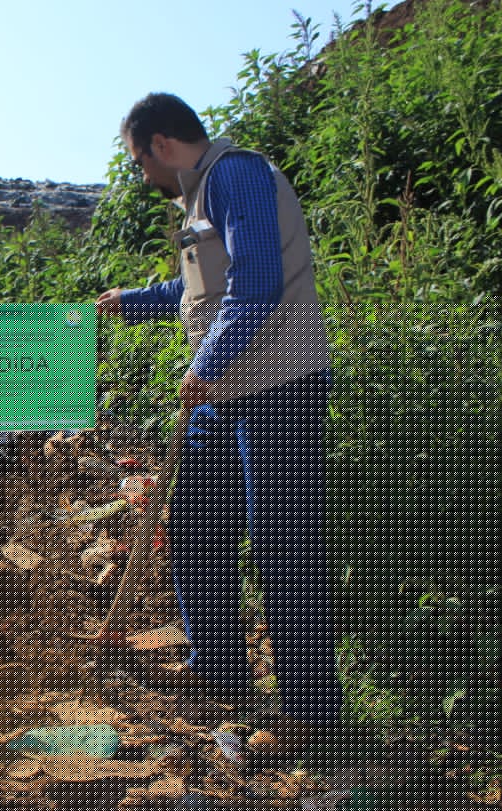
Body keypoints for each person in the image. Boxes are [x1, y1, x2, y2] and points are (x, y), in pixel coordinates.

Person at [96, 93, 342, 749]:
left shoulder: (237, 175)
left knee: (284, 548)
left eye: (138, 160)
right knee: (197, 526)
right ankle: (221, 668)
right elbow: (200, 288)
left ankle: (313, 711)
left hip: (277, 387)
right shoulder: (202, 197)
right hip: (226, 393)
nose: (143, 176)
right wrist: (133, 302)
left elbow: (258, 280)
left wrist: (206, 363)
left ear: (160, 145)